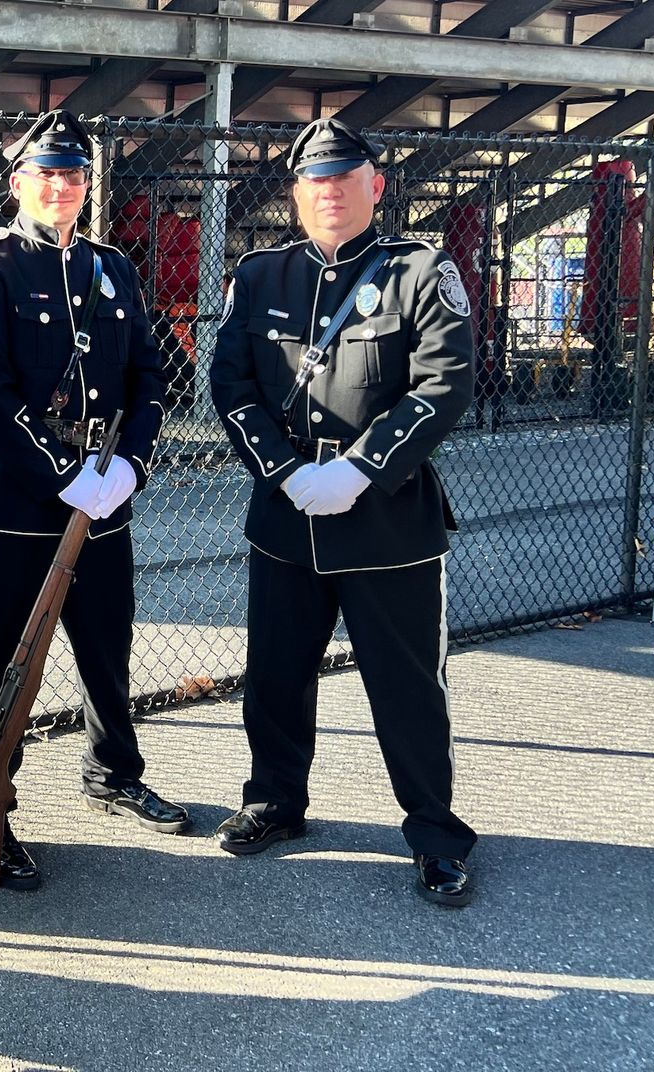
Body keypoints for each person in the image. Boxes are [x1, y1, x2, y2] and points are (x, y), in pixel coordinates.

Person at [208, 115, 478, 907]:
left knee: (407, 687)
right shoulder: (260, 276)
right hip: (288, 515)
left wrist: (362, 467)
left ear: (376, 187)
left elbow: (444, 382)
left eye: (344, 179)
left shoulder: (422, 271)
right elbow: (233, 386)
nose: (329, 194)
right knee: (277, 676)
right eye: (314, 182)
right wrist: (286, 471)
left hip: (386, 519)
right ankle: (275, 802)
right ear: (296, 193)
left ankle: (435, 833)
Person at [0, 109, 185, 891]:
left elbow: (150, 376)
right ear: (18, 182)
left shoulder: (112, 266)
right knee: (7, 660)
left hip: (106, 487)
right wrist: (60, 470)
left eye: (74, 175)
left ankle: (113, 770)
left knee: (106, 643)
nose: (61, 186)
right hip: (20, 494)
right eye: (46, 173)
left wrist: (133, 466)